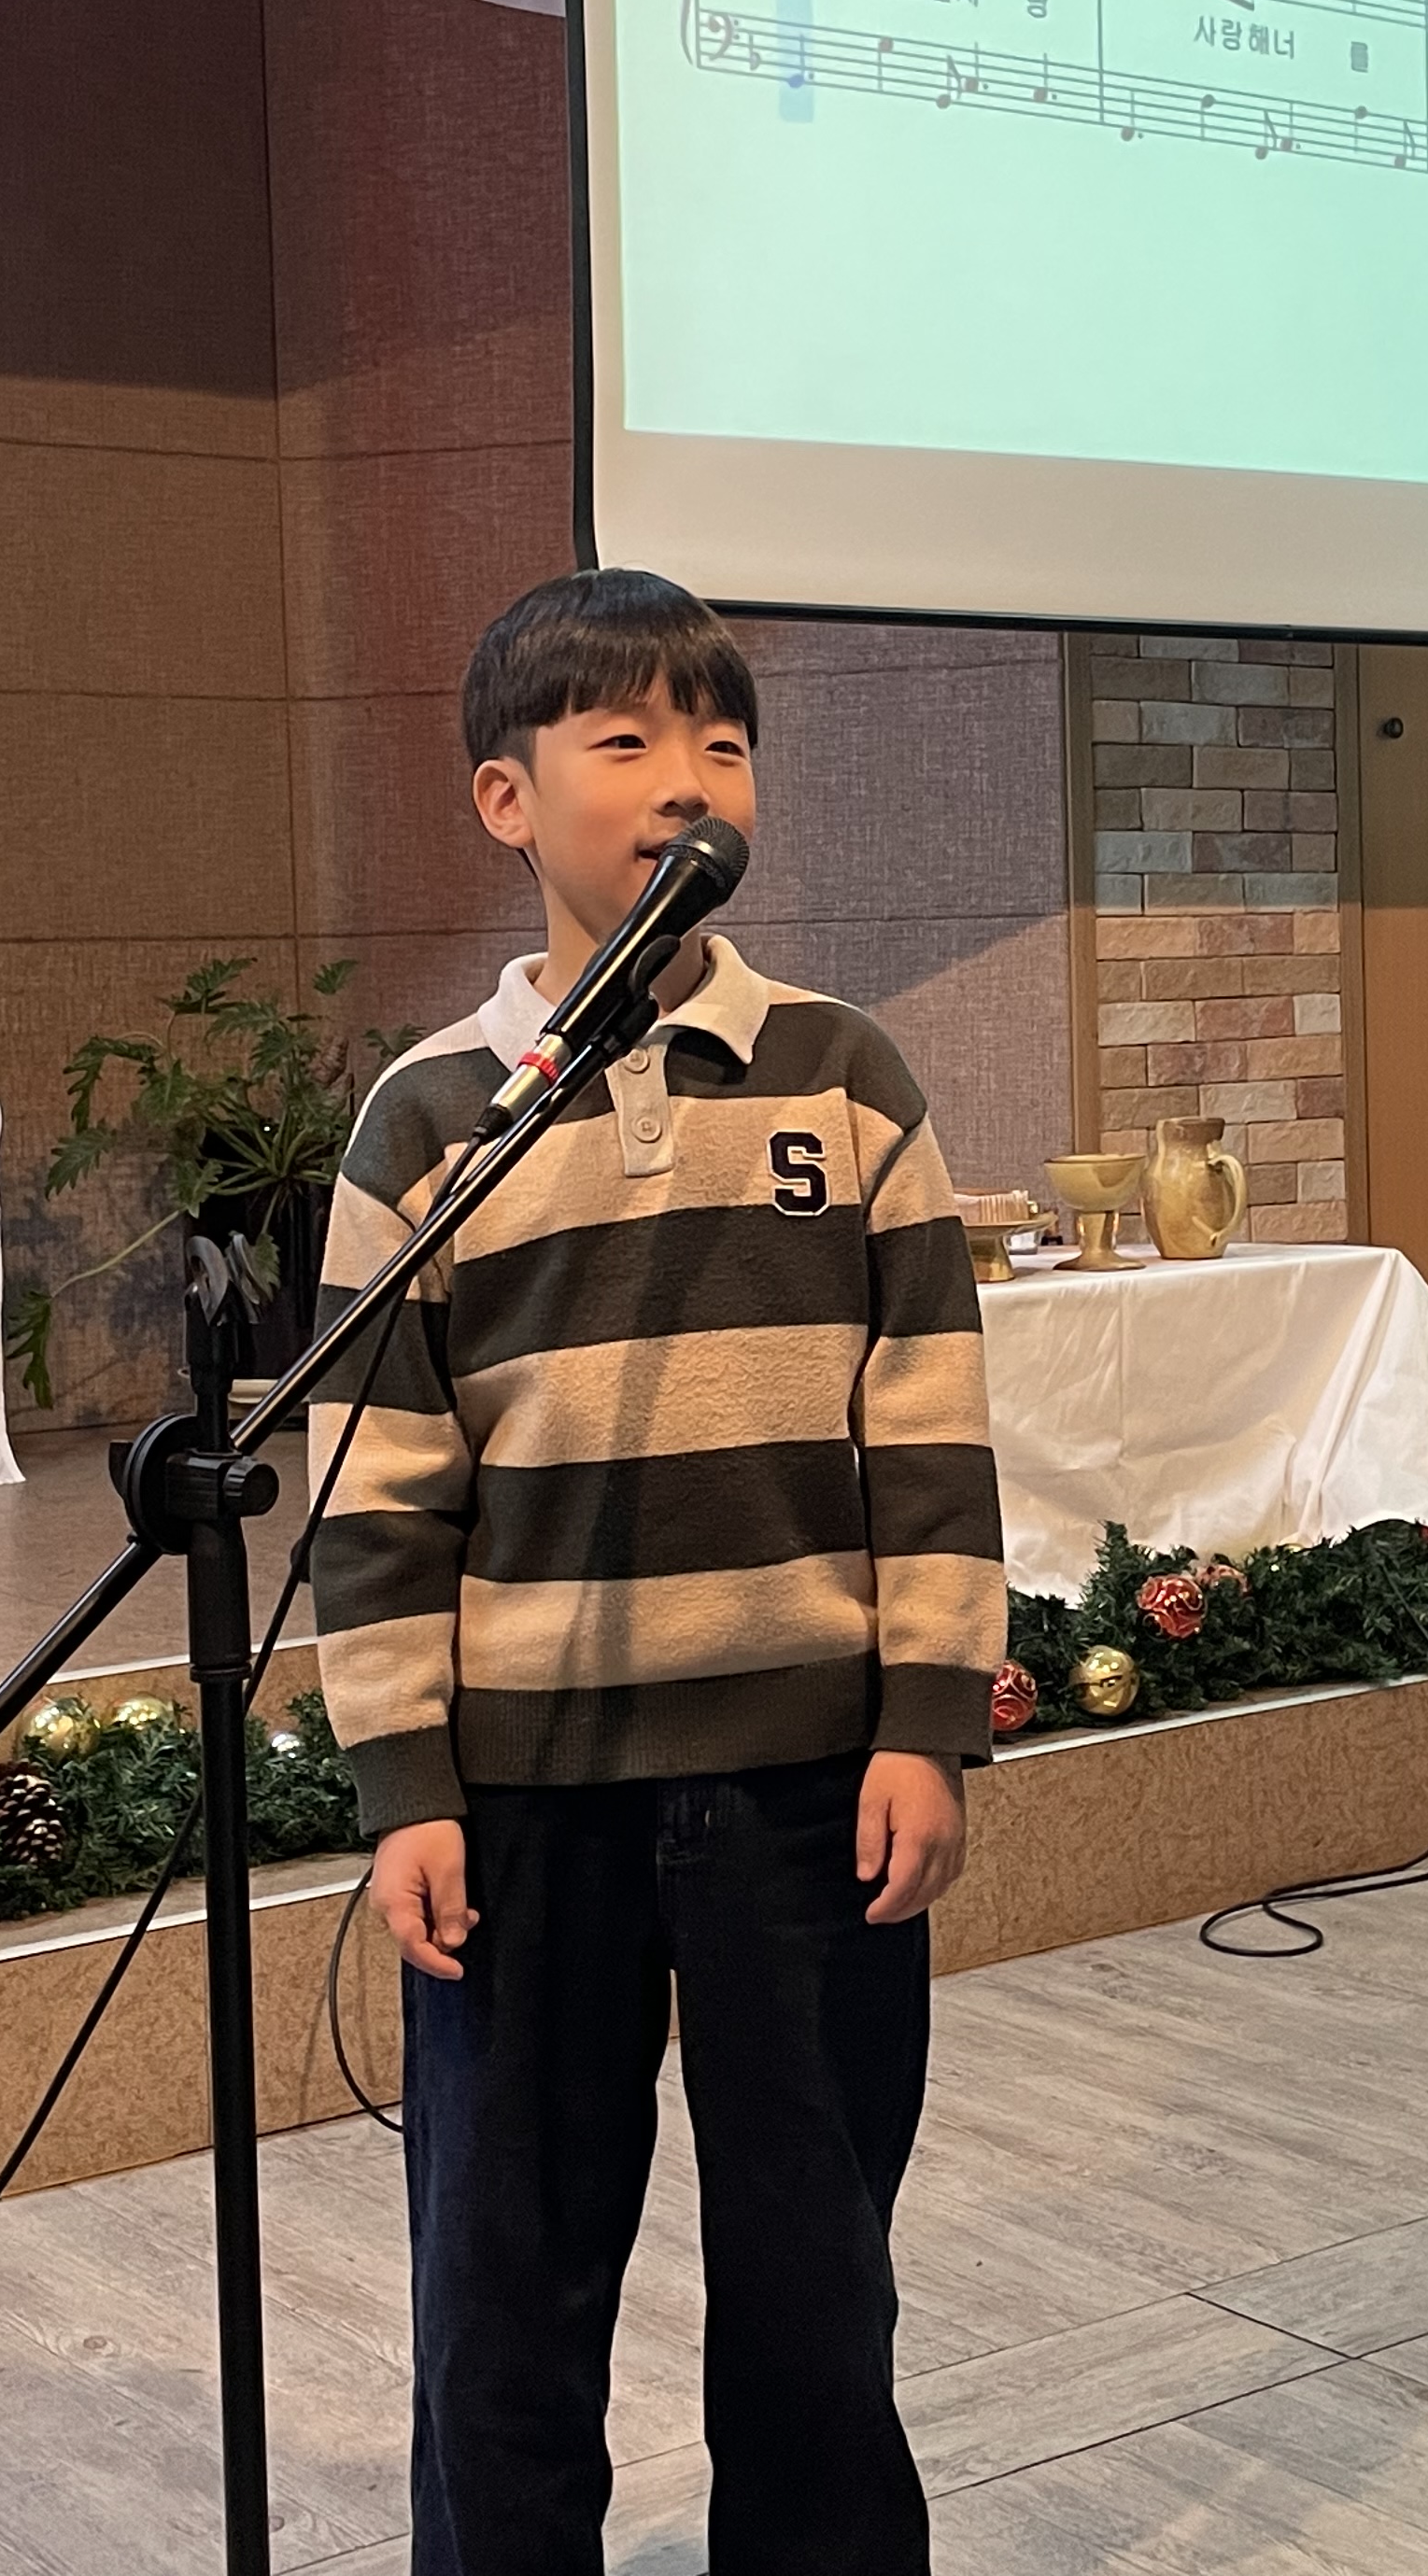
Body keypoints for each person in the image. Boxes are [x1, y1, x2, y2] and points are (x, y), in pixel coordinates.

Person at [308, 566, 1007, 2576]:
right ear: (505, 799)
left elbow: (931, 1424)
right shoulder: (431, 1120)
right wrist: (405, 1782)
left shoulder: (842, 1076)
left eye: (721, 742)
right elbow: (379, 1488)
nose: (686, 777)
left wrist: (925, 1722)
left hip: (807, 1786)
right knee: (504, 2301)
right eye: (623, 740)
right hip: (528, 1805)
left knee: (815, 2291)